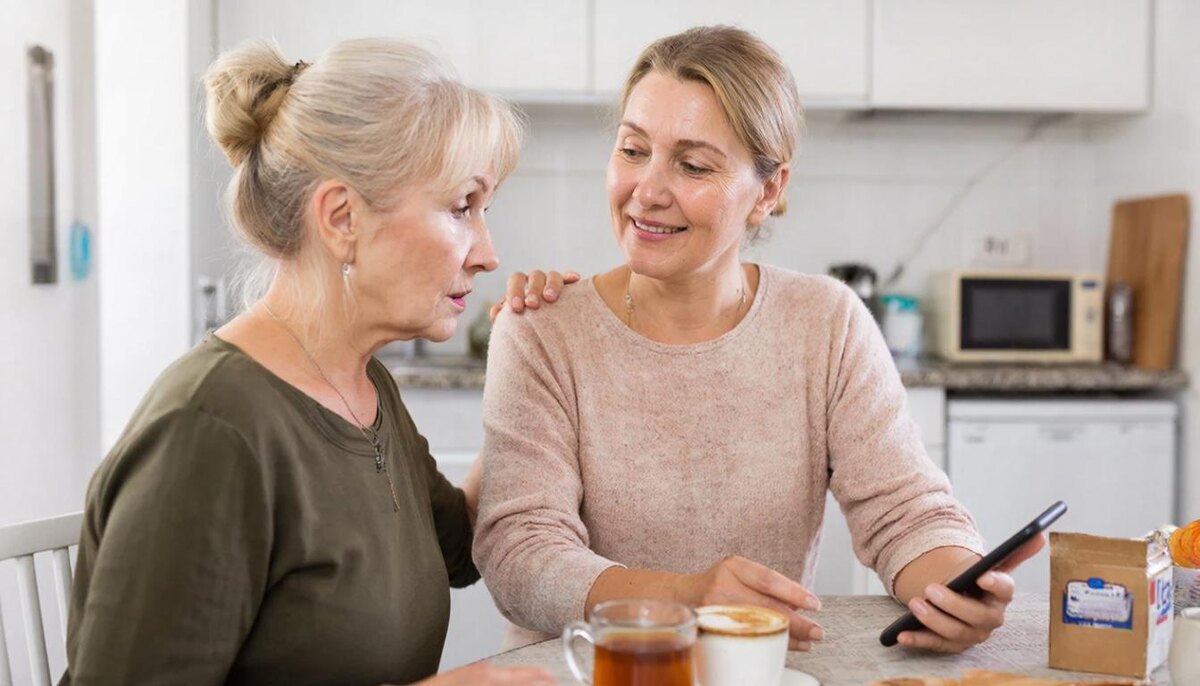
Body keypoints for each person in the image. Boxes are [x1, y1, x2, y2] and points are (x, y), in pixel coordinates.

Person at [474, 25, 1043, 656]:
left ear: (767, 191)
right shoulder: (542, 328)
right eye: (633, 150)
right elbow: (521, 555)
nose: (649, 190)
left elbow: (905, 510)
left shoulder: (826, 322)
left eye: (692, 165)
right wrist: (685, 598)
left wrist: (954, 586)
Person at [62, 38, 554, 685]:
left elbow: (455, 547)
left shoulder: (362, 385)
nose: (488, 253)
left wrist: (537, 366)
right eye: (463, 206)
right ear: (342, 218)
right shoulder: (211, 432)